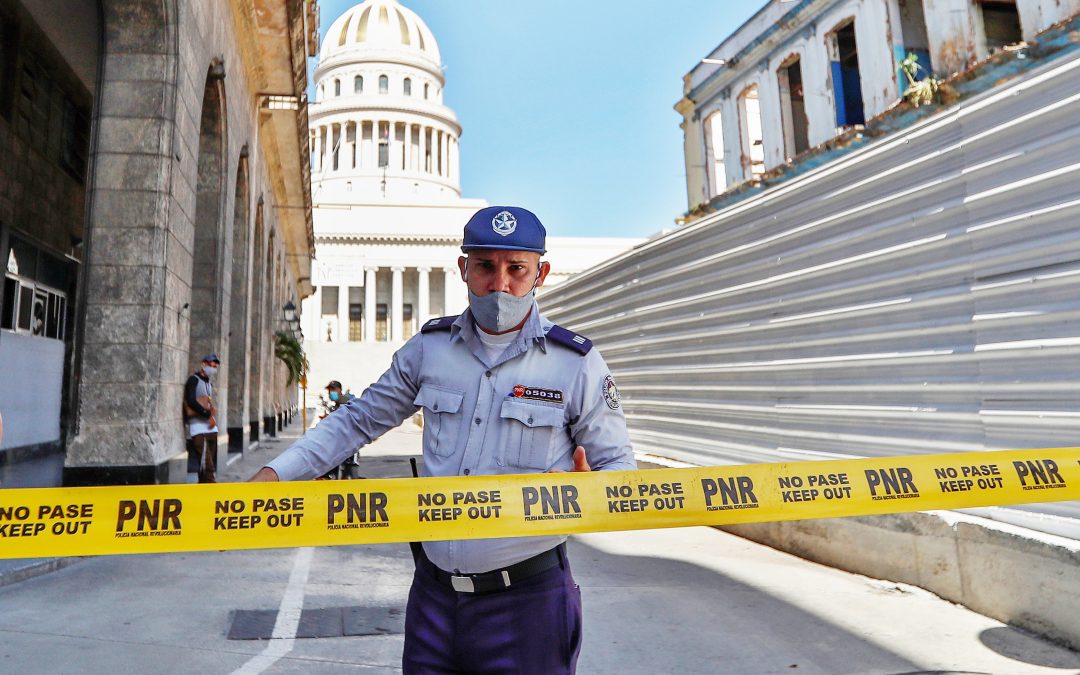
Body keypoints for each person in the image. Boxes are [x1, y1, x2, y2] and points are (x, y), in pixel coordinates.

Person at [251, 206, 636, 674]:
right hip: (434, 599)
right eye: (485, 266)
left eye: (517, 269)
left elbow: (619, 470)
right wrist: (277, 473)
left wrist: (588, 492)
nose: (500, 285)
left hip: (528, 603)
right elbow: (357, 420)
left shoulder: (575, 364)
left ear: (541, 272)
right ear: (463, 269)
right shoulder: (429, 350)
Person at [184, 354, 220, 483]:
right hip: (199, 430)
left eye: (215, 366)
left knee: (205, 467)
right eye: (211, 365)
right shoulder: (194, 380)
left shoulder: (209, 383)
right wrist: (206, 414)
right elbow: (191, 401)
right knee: (208, 466)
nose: (213, 368)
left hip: (211, 429)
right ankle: (212, 495)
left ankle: (203, 490)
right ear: (204, 364)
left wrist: (211, 413)